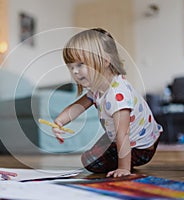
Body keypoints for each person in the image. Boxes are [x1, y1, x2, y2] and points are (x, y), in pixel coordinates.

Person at [52, 28, 162, 177]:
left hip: (141, 147)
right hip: (119, 136)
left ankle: (126, 162)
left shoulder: (117, 95)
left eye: (80, 64)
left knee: (90, 162)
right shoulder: (98, 87)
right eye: (71, 67)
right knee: (92, 156)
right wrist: (59, 121)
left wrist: (124, 169)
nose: (75, 72)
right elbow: (78, 106)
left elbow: (123, 134)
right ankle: (119, 158)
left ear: (104, 61)